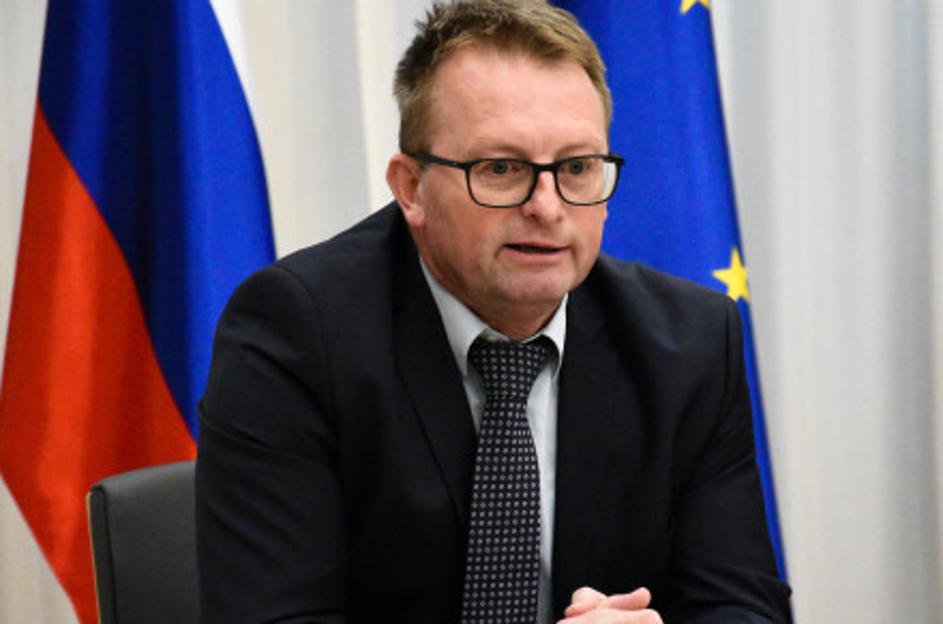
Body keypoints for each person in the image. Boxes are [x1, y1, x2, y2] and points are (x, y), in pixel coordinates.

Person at [195, 1, 792, 622]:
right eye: (502, 168)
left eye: (577, 167)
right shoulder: (296, 334)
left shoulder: (688, 344)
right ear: (411, 188)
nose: (547, 207)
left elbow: (741, 604)